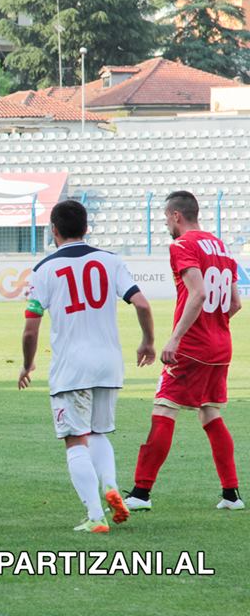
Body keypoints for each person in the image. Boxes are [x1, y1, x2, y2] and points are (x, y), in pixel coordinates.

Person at [18, 200, 155, 534]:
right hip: (109, 364)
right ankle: (110, 484)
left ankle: (96, 515)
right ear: (86, 227)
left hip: (71, 368)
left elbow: (30, 328)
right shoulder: (111, 261)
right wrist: (148, 341)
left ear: (54, 230)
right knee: (98, 432)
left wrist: (27, 364)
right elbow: (141, 302)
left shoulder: (44, 269)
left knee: (75, 440)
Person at [125, 191, 244, 511]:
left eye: (166, 217)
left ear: (176, 216)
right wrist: (214, 325)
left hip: (192, 346)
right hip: (221, 346)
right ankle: (231, 494)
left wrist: (175, 339)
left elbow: (198, 293)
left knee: (164, 409)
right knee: (210, 413)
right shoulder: (221, 247)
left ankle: (140, 493)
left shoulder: (182, 245)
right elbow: (235, 303)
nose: (165, 223)